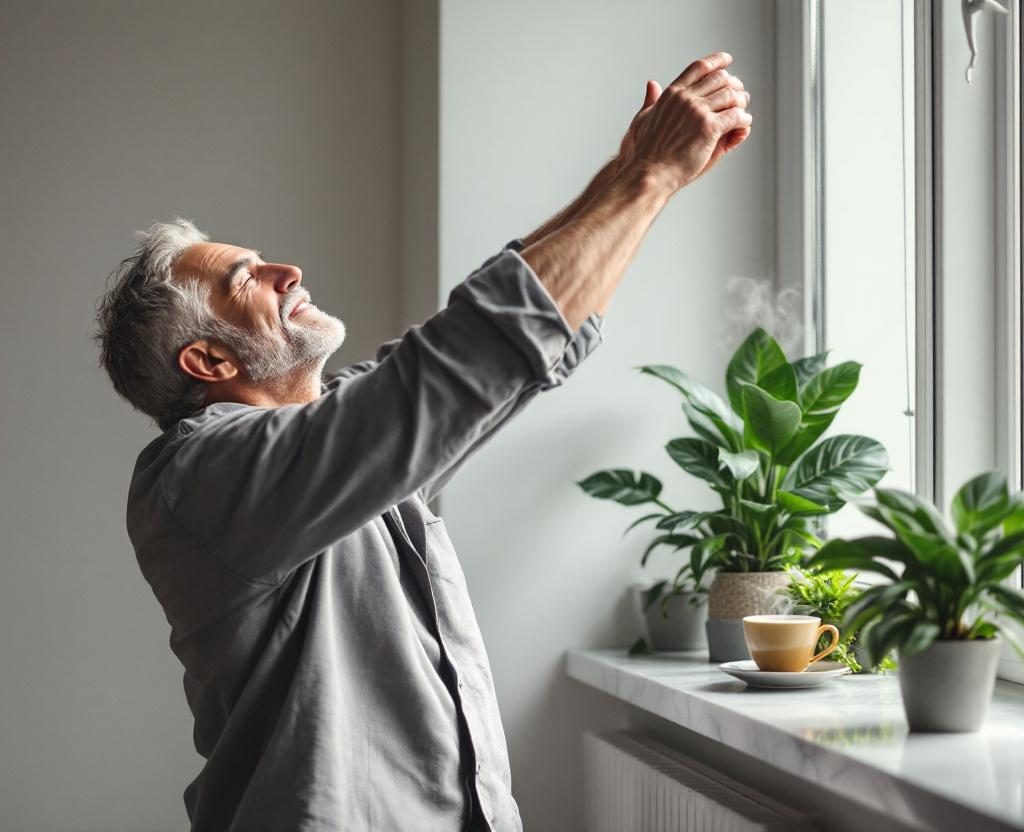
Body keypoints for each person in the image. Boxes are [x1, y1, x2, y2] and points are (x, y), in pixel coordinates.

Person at [94, 51, 751, 832]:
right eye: (247, 277)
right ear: (209, 361)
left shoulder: (326, 447)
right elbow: (465, 359)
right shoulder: (201, 473)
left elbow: (526, 352)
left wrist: (630, 173)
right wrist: (648, 178)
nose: (287, 270)